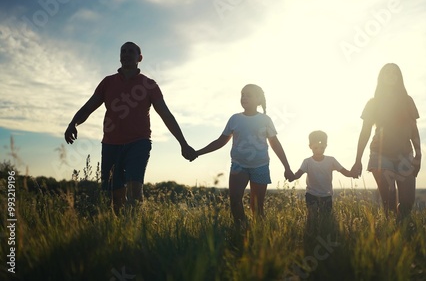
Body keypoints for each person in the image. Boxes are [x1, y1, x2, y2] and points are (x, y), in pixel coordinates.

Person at [64, 41, 197, 213]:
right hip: (111, 144)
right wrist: (73, 123)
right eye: (123, 51)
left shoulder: (149, 85)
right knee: (114, 195)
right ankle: (121, 231)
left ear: (139, 58)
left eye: (131, 51)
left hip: (138, 143)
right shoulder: (108, 82)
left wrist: (183, 143)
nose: (126, 54)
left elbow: (166, 115)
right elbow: (88, 107)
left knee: (135, 189)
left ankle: (136, 227)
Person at [196, 84, 294, 226]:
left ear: (258, 99)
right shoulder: (235, 119)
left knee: (257, 207)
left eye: (248, 95)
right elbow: (220, 141)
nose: (244, 97)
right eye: (242, 94)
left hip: (260, 166)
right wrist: (198, 152)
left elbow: (275, 144)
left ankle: (259, 235)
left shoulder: (265, 120)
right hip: (238, 166)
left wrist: (287, 167)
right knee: (235, 201)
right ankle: (243, 230)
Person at [351, 63, 421, 221]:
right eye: (387, 72)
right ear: (381, 78)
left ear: (399, 77)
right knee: (389, 200)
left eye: (394, 72)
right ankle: (390, 236)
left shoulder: (407, 101)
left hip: (405, 155)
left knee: (407, 203)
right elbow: (365, 132)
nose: (390, 75)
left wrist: (418, 154)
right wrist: (357, 160)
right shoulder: (373, 103)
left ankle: (401, 229)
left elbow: (414, 129)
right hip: (380, 156)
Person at [293, 130, 354, 234]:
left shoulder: (331, 160)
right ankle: (311, 235)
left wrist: (354, 172)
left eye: (322, 148)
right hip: (311, 194)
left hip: (327, 195)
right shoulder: (307, 162)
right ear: (310, 146)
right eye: (316, 148)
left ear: (326, 146)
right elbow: (297, 175)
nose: (319, 150)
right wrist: (290, 175)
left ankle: (324, 235)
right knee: (312, 217)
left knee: (325, 218)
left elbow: (345, 172)